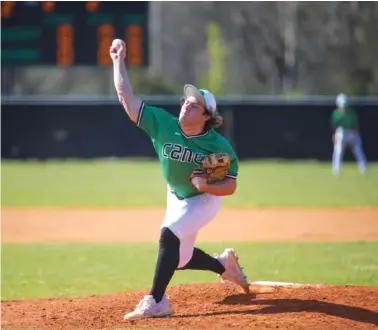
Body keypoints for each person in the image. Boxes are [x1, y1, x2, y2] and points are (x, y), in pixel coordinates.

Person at [109, 39, 250, 320]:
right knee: (180, 258)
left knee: (169, 233)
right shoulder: (163, 124)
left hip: (205, 199)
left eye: (195, 105)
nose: (186, 105)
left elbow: (230, 185)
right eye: (186, 101)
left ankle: (157, 300)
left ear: (207, 116)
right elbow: (126, 96)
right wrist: (118, 61)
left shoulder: (217, 146)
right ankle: (224, 266)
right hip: (175, 194)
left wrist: (207, 185)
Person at [331, 93, 367, 175]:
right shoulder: (336, 114)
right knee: (338, 150)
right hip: (342, 133)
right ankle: (336, 170)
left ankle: (364, 169)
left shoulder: (352, 113)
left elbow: (356, 126)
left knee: (358, 150)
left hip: (352, 133)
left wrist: (354, 136)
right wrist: (334, 136)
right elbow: (334, 126)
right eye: (342, 105)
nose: (344, 107)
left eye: (345, 105)